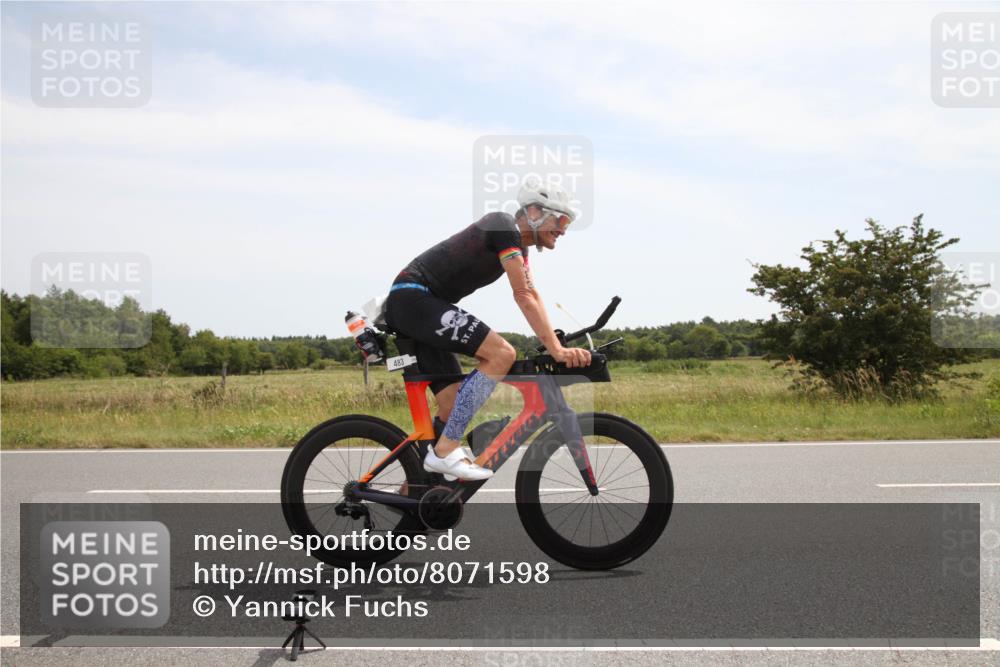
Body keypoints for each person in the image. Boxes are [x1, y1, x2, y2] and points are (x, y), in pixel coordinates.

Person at [383, 181, 592, 481]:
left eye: (568, 223)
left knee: (452, 402)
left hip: (423, 305)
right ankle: (445, 452)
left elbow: (533, 294)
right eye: (561, 220)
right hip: (414, 298)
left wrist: (552, 340)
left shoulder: (518, 247)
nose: (564, 229)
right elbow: (523, 295)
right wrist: (557, 351)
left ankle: (418, 489)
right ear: (533, 211)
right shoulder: (503, 226)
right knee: (502, 354)